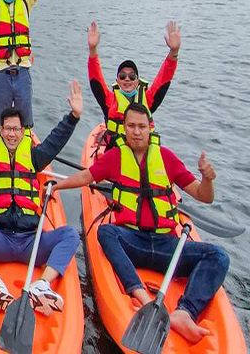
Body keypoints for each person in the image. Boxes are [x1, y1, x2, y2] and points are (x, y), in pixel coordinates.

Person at [53, 104, 229, 344]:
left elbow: (204, 195)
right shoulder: (116, 157)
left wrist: (207, 179)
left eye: (141, 126)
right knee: (105, 233)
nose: (137, 131)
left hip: (168, 245)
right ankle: (141, 295)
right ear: (124, 129)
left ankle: (185, 312)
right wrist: (55, 186)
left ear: (150, 128)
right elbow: (85, 177)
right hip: (132, 242)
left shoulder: (166, 158)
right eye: (132, 126)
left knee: (218, 256)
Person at [0, 61, 82, 315]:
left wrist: (74, 117)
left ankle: (42, 285)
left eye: (16, 129)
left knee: (70, 235)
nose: (12, 134)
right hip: (1, 238)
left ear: (24, 132)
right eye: (7, 129)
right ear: (1, 131)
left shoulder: (35, 157)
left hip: (30, 243)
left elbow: (55, 141)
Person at [88, 20, 180, 147]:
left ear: (137, 81)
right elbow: (96, 79)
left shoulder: (147, 99)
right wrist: (93, 50)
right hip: (116, 153)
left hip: (143, 153)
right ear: (118, 80)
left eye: (131, 76)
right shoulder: (109, 100)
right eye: (122, 76)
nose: (127, 79)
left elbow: (163, 79)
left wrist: (173, 52)